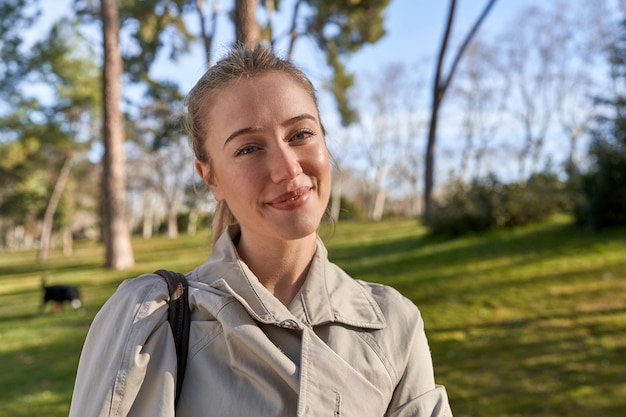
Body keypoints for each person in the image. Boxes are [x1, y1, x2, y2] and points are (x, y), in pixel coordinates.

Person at [68, 44, 453, 417]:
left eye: (300, 134)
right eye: (249, 149)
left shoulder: (393, 324)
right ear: (210, 177)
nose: (287, 169)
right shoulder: (149, 319)